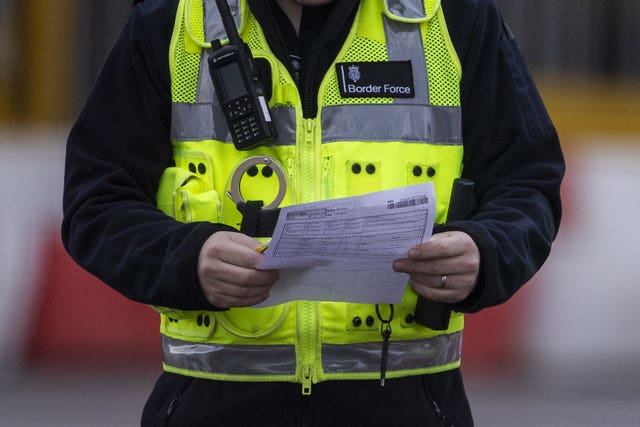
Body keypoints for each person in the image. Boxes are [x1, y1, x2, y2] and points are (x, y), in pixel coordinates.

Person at [62, 0, 565, 425]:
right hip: (212, 405)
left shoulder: (451, 19)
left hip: (410, 405)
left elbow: (528, 182)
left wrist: (487, 250)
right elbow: (95, 202)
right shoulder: (169, 23)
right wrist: (186, 259)